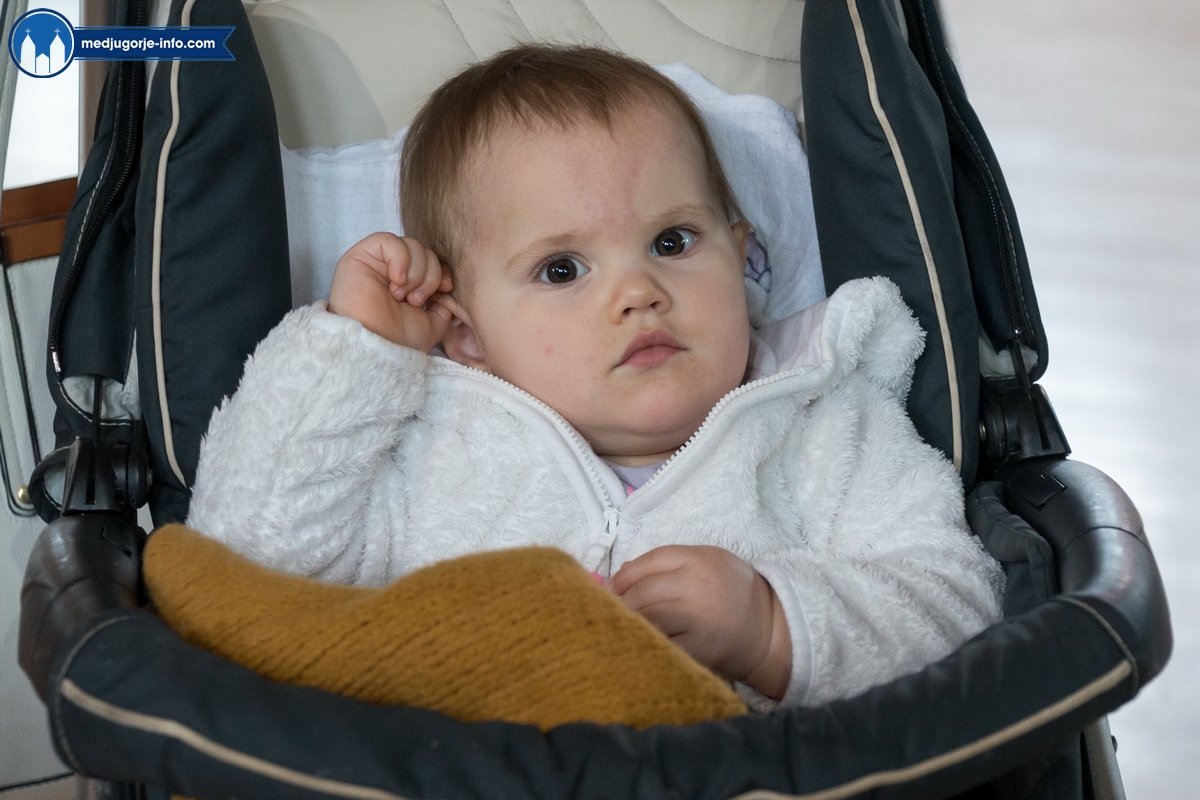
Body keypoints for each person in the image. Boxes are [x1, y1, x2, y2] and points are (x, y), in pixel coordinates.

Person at [187, 44, 1003, 709]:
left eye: (673, 243)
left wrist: (773, 627)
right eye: (562, 268)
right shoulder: (425, 445)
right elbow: (251, 560)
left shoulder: (825, 425)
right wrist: (358, 352)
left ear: (742, 255)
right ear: (466, 332)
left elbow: (956, 605)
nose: (637, 291)